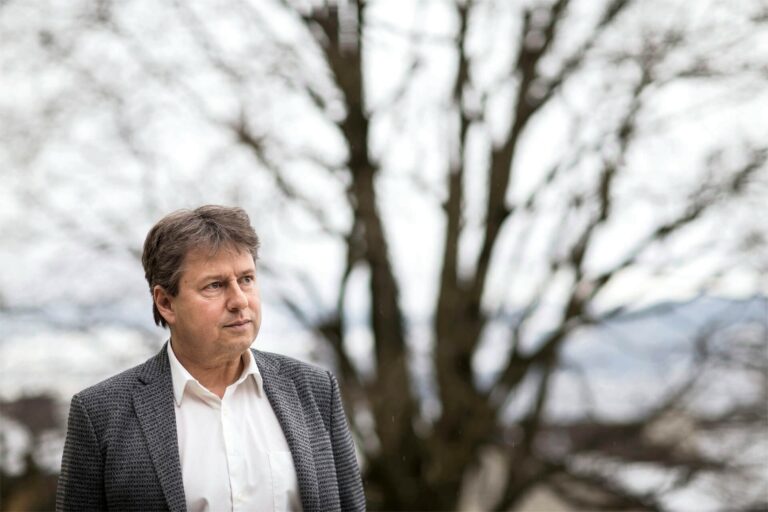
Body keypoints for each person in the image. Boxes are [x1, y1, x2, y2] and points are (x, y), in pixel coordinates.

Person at [56, 205, 365, 512]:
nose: (239, 300)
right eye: (215, 285)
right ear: (166, 303)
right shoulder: (100, 415)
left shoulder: (315, 390)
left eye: (246, 279)